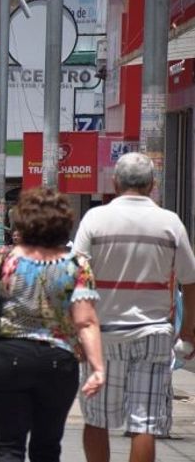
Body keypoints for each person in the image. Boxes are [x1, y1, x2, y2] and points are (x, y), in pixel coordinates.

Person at [0, 187, 105, 462]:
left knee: (9, 447)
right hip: (59, 362)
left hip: (9, 357)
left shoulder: (6, 261)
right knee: (48, 447)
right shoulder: (77, 265)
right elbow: (86, 322)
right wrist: (97, 368)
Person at [74, 152, 195, 462]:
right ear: (152, 185)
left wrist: (75, 332)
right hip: (153, 333)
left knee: (96, 418)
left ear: (115, 183)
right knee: (145, 422)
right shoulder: (170, 223)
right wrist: (188, 331)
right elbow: (190, 281)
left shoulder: (95, 219)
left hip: (102, 334)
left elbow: (76, 278)